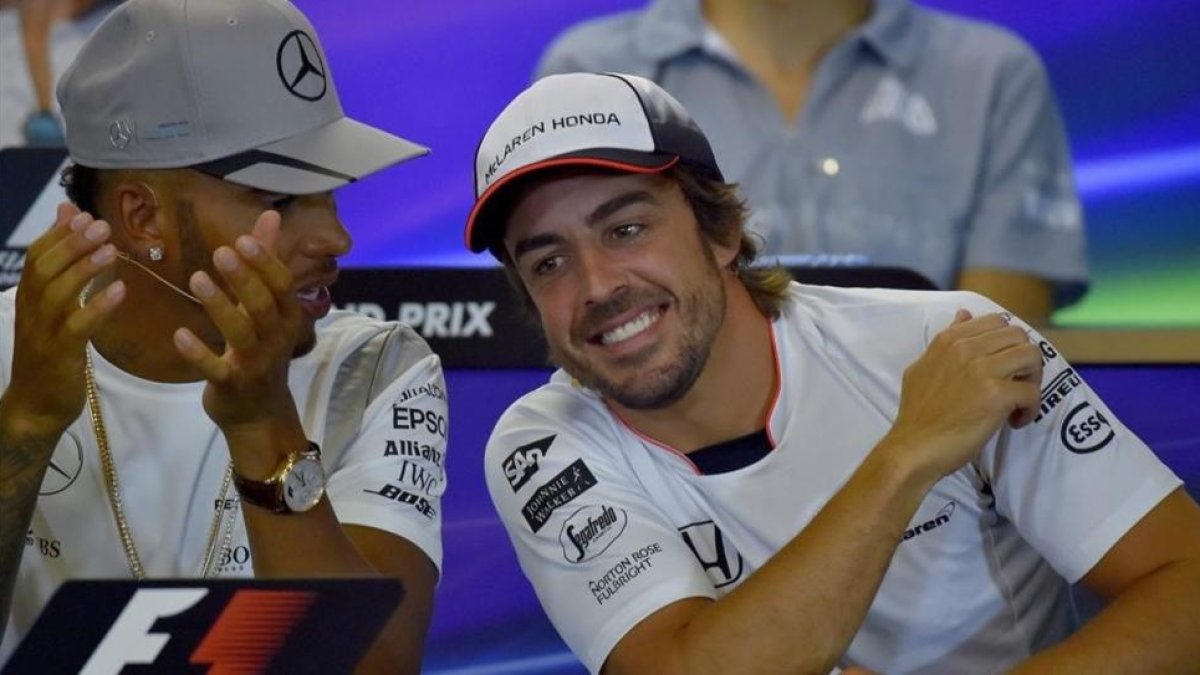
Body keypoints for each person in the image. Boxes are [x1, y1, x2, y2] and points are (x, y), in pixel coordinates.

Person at [464, 72, 1200, 674]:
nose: (595, 286)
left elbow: (1185, 582)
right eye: (549, 261)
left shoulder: (946, 341)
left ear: (719, 230)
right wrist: (907, 454)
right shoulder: (542, 443)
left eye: (626, 228)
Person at [0, 1, 445, 671]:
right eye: (280, 201)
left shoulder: (373, 367)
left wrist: (264, 427)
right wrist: (26, 423)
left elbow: (377, 663)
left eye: (332, 193)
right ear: (142, 216)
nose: (336, 239)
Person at [536, 0, 1090, 325]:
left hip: (938, 479)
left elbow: (998, 348)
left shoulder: (992, 74)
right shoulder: (588, 69)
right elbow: (582, 320)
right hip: (673, 476)